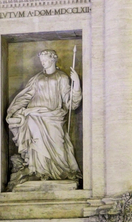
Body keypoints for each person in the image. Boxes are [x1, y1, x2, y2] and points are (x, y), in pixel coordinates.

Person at [6, 49, 83, 187]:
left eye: (45, 60)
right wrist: (13, 110)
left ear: (53, 59)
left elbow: (70, 102)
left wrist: (76, 84)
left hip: (54, 118)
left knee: (58, 146)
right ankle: (39, 172)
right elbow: (26, 96)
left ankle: (60, 173)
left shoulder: (62, 77)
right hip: (34, 116)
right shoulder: (36, 79)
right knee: (36, 144)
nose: (43, 63)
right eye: (41, 60)